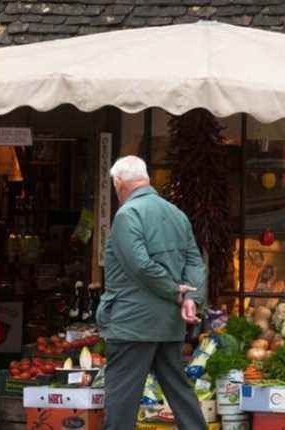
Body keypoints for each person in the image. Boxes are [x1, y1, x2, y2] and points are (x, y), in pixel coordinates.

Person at [96, 156, 207, 430]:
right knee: (180, 392)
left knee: (122, 400)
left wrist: (177, 293)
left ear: (118, 183)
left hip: (132, 324)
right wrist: (191, 297)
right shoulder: (176, 214)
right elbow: (195, 261)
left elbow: (140, 266)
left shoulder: (127, 215)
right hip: (168, 324)